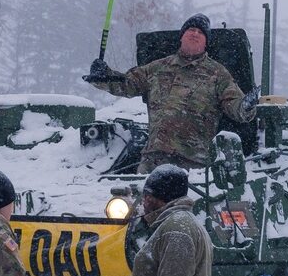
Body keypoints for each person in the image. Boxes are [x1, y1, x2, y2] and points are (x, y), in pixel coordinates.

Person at [87, 13, 260, 173]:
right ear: (182, 36)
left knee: (187, 207)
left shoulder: (218, 74)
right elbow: (127, 84)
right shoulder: (157, 68)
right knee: (137, 206)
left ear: (206, 42)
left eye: (201, 32)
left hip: (194, 165)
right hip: (153, 161)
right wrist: (103, 76)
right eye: (191, 29)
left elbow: (235, 106)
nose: (195, 34)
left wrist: (246, 106)